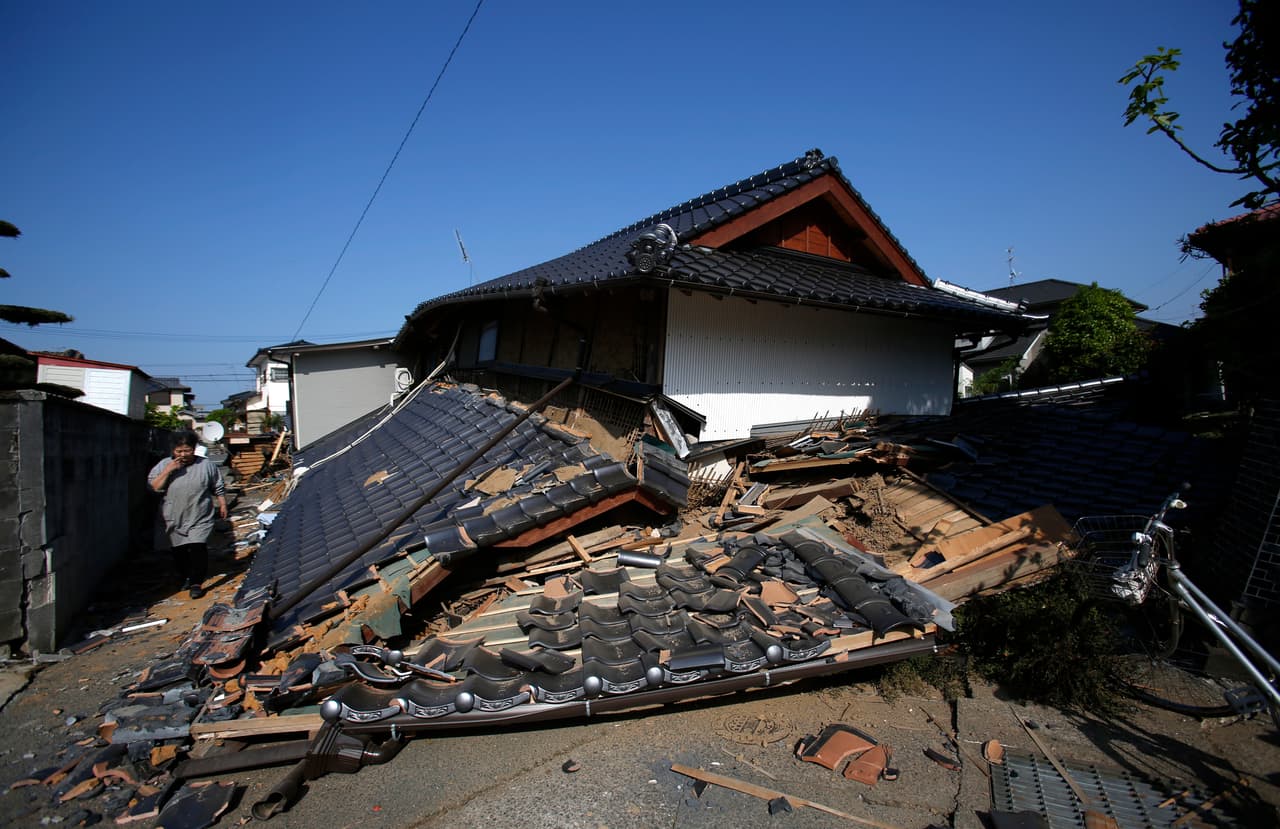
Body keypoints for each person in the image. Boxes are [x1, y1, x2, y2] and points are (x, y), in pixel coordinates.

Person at [148, 430, 227, 598]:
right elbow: (154, 487)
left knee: (198, 547)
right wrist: (169, 470)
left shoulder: (206, 465)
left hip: (200, 514)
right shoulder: (164, 465)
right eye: (179, 451)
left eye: (187, 450)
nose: (183, 455)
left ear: (194, 449)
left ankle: (196, 583)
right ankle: (185, 576)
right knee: (180, 551)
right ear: (173, 450)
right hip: (174, 516)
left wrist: (222, 503)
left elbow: (217, 486)